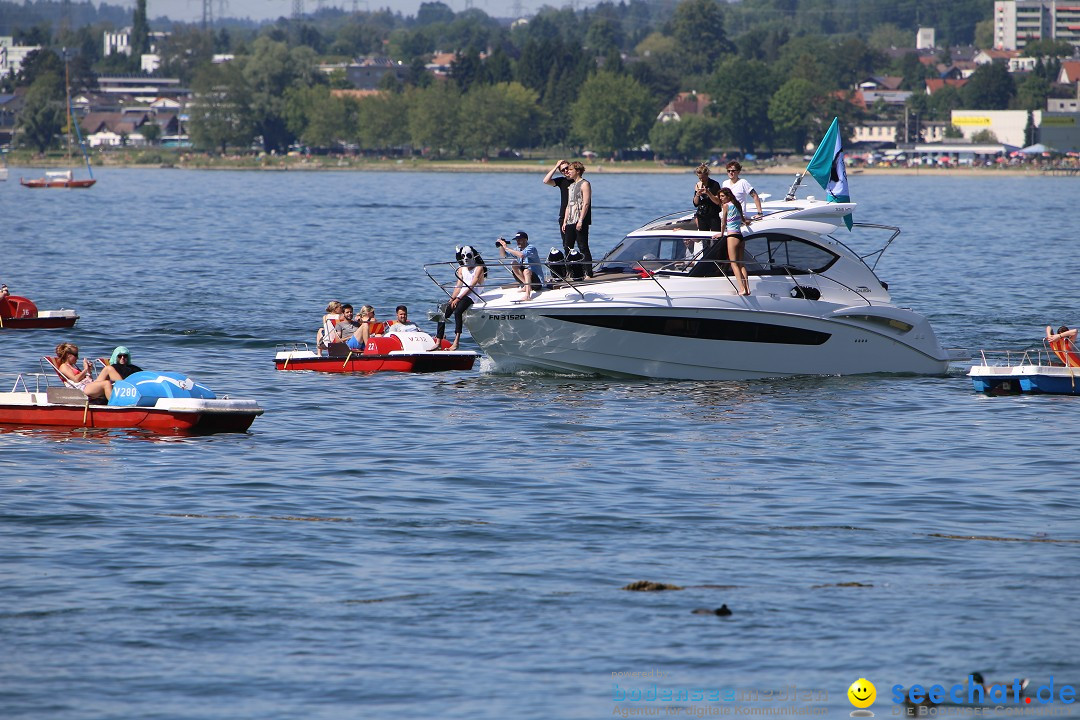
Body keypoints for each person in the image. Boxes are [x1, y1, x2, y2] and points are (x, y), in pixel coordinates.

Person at [433, 245, 487, 351]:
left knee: (458, 311)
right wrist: (452, 298)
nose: (466, 258)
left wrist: (458, 299)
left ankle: (456, 342)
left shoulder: (479, 268)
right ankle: (438, 341)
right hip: (461, 294)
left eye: (468, 255)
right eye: (463, 256)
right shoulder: (461, 269)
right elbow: (458, 286)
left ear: (473, 255)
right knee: (442, 313)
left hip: (472, 295)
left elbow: (471, 286)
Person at [713, 187, 752, 296]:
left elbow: (723, 222)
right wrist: (747, 222)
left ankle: (742, 289)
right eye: (719, 196)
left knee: (734, 263)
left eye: (722, 196)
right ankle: (747, 289)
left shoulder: (726, 206)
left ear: (728, 196)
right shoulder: (737, 204)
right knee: (741, 264)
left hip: (732, 236)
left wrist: (721, 234)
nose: (721, 199)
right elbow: (743, 220)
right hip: (740, 236)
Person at [55, 342, 122, 401]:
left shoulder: (74, 366)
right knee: (106, 383)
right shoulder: (64, 366)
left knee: (108, 368)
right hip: (80, 390)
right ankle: (114, 405)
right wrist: (85, 369)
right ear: (68, 355)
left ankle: (126, 388)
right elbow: (76, 379)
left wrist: (88, 371)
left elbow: (86, 379)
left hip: (87, 385)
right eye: (76, 355)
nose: (77, 357)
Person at [562, 161, 593, 278]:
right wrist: (565, 221)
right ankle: (570, 271)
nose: (568, 172)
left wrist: (580, 220)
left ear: (578, 171)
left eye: (571, 170)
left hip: (580, 219)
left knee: (583, 246)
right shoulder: (571, 186)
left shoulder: (584, 184)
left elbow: (586, 203)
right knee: (567, 246)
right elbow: (568, 205)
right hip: (570, 220)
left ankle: (588, 272)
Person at [497, 231, 544, 300]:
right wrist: (501, 246)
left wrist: (507, 248)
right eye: (517, 240)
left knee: (526, 271)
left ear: (525, 239)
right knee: (513, 263)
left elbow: (521, 255)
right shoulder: (517, 249)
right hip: (526, 280)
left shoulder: (531, 248)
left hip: (537, 282)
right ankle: (526, 285)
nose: (518, 242)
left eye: (520, 240)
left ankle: (527, 295)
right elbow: (503, 255)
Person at [542, 160, 573, 244]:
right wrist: (556, 167)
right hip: (563, 215)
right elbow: (545, 181)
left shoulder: (579, 181)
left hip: (576, 214)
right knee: (566, 243)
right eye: (563, 170)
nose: (566, 171)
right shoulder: (561, 181)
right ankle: (568, 257)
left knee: (581, 243)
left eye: (567, 168)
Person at [692, 163, 723, 236]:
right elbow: (696, 204)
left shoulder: (715, 184)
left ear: (707, 175)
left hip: (713, 214)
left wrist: (708, 193)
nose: (701, 180)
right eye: (699, 178)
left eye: (702, 178)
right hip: (702, 215)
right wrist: (697, 194)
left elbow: (718, 201)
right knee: (704, 238)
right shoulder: (698, 184)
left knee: (715, 236)